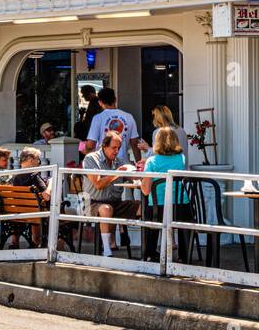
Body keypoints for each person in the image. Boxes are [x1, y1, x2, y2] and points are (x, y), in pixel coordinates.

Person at [81, 131, 140, 257]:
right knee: (106, 209)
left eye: (118, 148)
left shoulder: (119, 161)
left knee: (143, 207)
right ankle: (107, 250)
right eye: (114, 147)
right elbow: (98, 184)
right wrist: (117, 173)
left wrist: (138, 174)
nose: (116, 151)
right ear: (104, 146)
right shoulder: (91, 159)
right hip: (93, 203)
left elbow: (134, 179)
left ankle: (148, 251)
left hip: (116, 203)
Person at [140, 126, 192, 261]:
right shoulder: (181, 158)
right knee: (184, 223)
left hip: (159, 207)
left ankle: (150, 254)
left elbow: (145, 190)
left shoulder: (151, 161)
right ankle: (184, 256)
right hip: (180, 206)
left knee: (150, 219)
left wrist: (141, 183)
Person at [83, 87, 146, 162]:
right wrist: (139, 163)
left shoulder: (98, 118)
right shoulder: (129, 117)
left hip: (103, 165)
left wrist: (83, 148)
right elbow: (135, 144)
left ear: (100, 102)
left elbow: (90, 145)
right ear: (115, 100)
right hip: (123, 165)